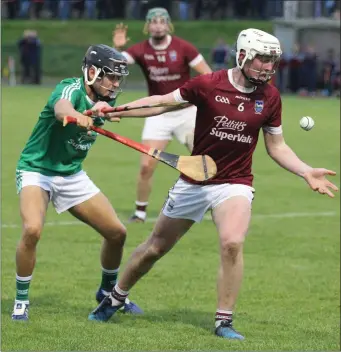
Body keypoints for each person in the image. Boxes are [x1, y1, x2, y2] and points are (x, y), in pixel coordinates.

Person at [86, 29, 338, 339]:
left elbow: (277, 146)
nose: (268, 67)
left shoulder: (270, 97)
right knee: (154, 248)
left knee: (232, 242)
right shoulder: (208, 84)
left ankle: (224, 321)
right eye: (262, 60)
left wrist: (306, 171)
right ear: (243, 55)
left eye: (273, 61)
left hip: (235, 183)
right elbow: (164, 102)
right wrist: (116, 110)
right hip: (195, 179)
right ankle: (116, 297)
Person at [12, 44, 142, 321]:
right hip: (37, 170)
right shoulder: (70, 88)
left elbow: (100, 108)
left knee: (117, 233)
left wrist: (98, 112)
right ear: (93, 73)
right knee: (33, 229)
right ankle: (21, 300)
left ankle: (107, 291)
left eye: (119, 78)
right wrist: (76, 115)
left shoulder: (101, 102)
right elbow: (61, 108)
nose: (116, 84)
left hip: (71, 175)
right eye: (112, 77)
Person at [112, 7, 212, 223]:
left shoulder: (183, 48)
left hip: (187, 113)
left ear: (168, 25)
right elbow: (114, 65)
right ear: (148, 26)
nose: (158, 25)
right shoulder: (140, 50)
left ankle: (215, 203)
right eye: (153, 21)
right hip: (158, 114)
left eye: (162, 21)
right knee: (146, 165)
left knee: (203, 162)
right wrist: (117, 49)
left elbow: (208, 76)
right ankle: (139, 213)